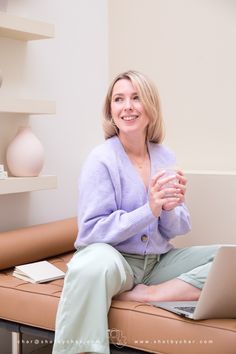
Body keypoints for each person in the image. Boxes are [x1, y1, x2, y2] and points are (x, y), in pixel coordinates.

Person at [52, 70, 219, 354]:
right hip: (114, 259)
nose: (127, 106)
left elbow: (179, 227)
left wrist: (169, 208)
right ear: (111, 110)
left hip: (157, 262)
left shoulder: (165, 156)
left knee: (231, 258)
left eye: (136, 98)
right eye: (119, 99)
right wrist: (149, 209)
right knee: (90, 267)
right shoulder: (100, 160)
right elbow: (91, 232)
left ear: (150, 107)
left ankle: (150, 294)